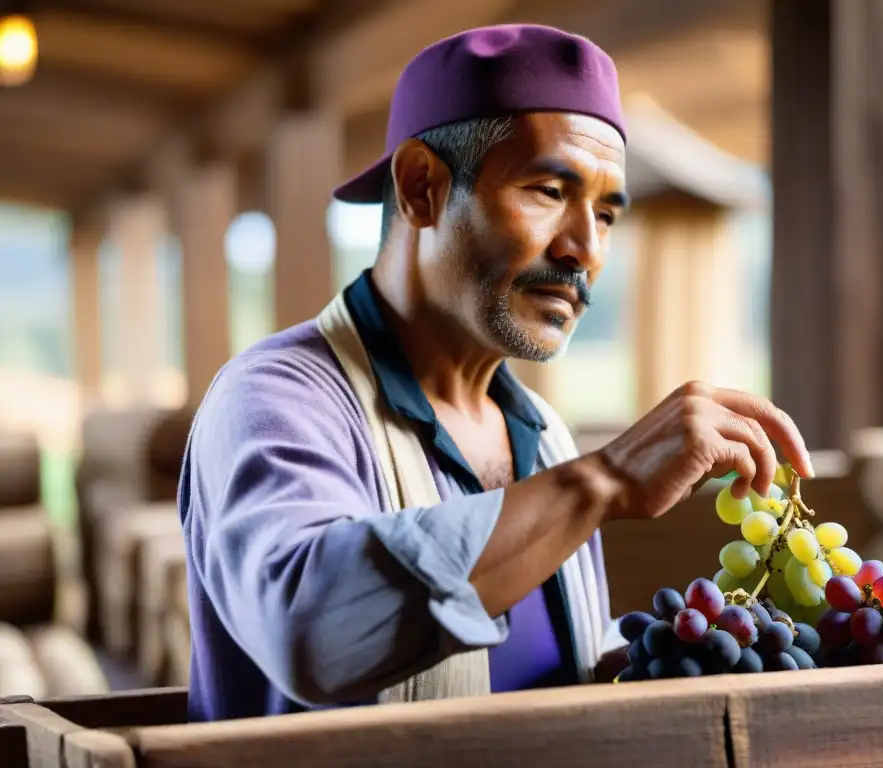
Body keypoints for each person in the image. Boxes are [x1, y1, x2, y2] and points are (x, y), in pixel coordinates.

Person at [178, 23, 814, 723]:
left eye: (605, 213)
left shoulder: (542, 438)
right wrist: (607, 478)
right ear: (422, 188)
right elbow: (310, 631)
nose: (584, 250)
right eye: (547, 190)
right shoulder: (276, 398)